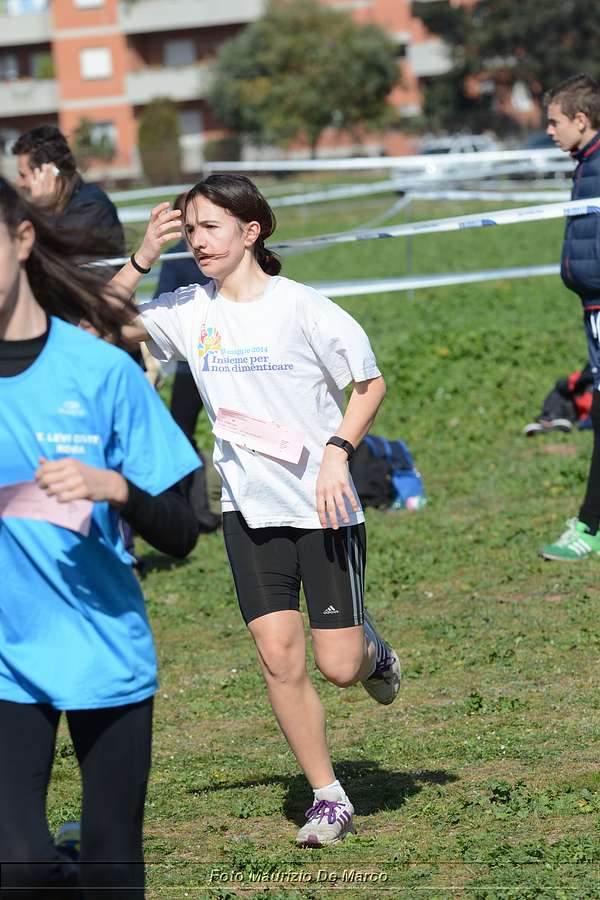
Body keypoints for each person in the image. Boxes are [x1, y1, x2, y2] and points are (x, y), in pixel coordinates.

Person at [108, 173, 401, 847]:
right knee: (277, 656)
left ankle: (372, 652)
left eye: (210, 227)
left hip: (323, 506)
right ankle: (328, 798)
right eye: (189, 228)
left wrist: (337, 451)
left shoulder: (304, 309)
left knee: (338, 665)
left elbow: (369, 383)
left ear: (251, 231)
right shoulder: (188, 310)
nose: (197, 240)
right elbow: (94, 321)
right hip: (247, 510)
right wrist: (144, 255)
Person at [0, 176, 200, 898]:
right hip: (6, 660)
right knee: (19, 870)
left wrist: (114, 487)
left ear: (24, 239)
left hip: (102, 648)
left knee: (113, 873)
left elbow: (181, 533)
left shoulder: (101, 372)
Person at [539, 75, 600, 561]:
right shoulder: (586, 164)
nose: (549, 131)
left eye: (555, 121)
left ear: (581, 119)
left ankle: (590, 525)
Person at [153, 192, 219, 533]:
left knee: (184, 432)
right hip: (193, 363)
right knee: (182, 432)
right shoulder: (179, 257)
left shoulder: (203, 254)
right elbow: (159, 306)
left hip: (216, 359)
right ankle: (197, 510)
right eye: (189, 225)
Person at [12, 124, 124, 262]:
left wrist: (40, 208)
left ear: (49, 172)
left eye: (23, 175)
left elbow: (49, 252)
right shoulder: (57, 205)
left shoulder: (93, 208)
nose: (19, 183)